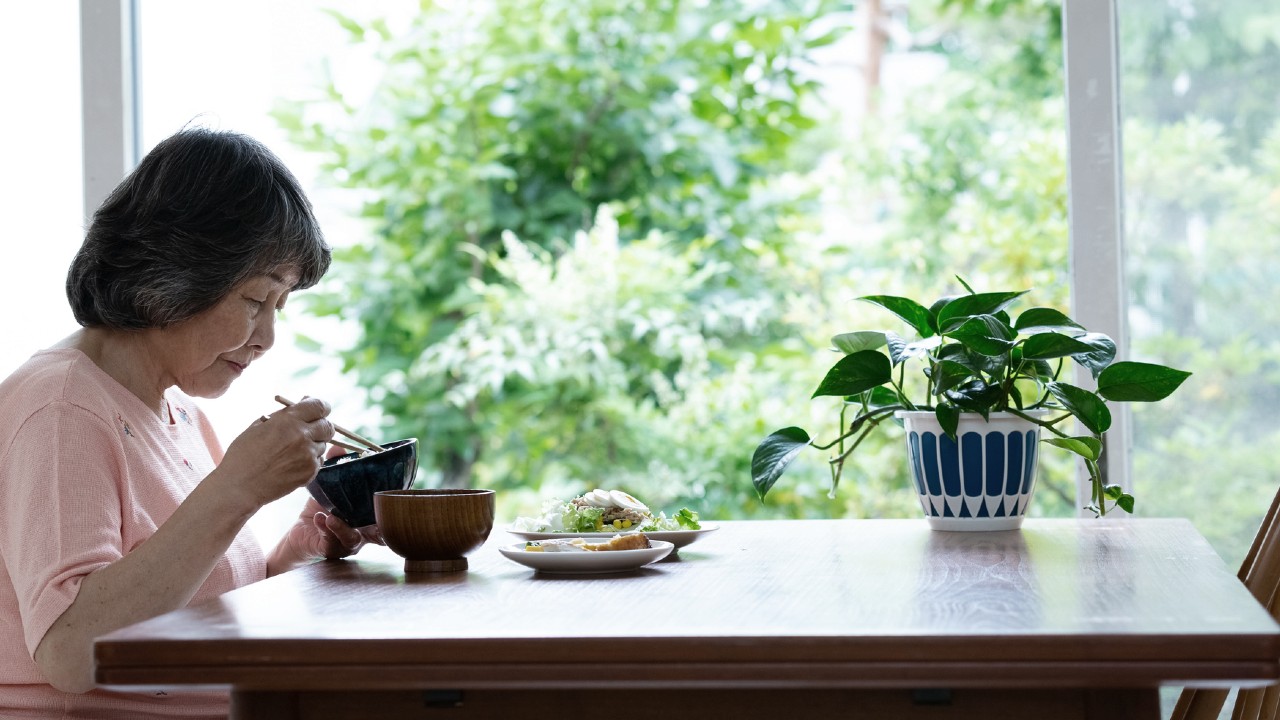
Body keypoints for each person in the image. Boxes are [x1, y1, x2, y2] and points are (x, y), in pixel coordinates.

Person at [0, 127, 378, 718]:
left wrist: (300, 547)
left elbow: (193, 603)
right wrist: (237, 489)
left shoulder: (178, 411)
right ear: (172, 276)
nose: (268, 339)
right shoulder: (61, 407)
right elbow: (70, 651)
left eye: (280, 307)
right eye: (256, 300)